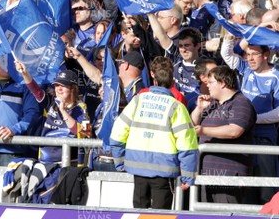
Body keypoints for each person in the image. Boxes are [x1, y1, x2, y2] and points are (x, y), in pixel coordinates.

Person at [110, 56, 199, 209]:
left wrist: (119, 161)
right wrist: (188, 175)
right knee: (160, 214)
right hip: (164, 170)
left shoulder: (138, 100)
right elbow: (187, 145)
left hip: (137, 166)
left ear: (153, 78)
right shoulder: (177, 107)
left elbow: (118, 132)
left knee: (138, 211)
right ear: (173, 81)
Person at [220, 41, 279, 203]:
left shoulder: (276, 77)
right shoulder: (246, 68)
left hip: (264, 138)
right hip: (243, 136)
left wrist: (252, 119)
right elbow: (226, 54)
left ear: (266, 55)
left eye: (254, 54)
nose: (250, 58)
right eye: (248, 54)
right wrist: (231, 36)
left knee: (266, 186)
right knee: (245, 184)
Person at [191, 66, 256, 204]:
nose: (206, 85)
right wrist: (199, 108)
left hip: (229, 176)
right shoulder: (211, 104)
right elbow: (191, 126)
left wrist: (204, 131)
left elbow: (234, 131)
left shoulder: (241, 103)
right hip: (206, 175)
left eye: (210, 82)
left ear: (222, 83)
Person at [17, 63, 88, 164]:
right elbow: (35, 90)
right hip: (46, 160)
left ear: (73, 88)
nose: (59, 89)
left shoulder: (82, 107)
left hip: (69, 162)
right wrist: (25, 74)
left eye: (63, 86)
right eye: (56, 85)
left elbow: (85, 133)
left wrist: (63, 111)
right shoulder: (51, 101)